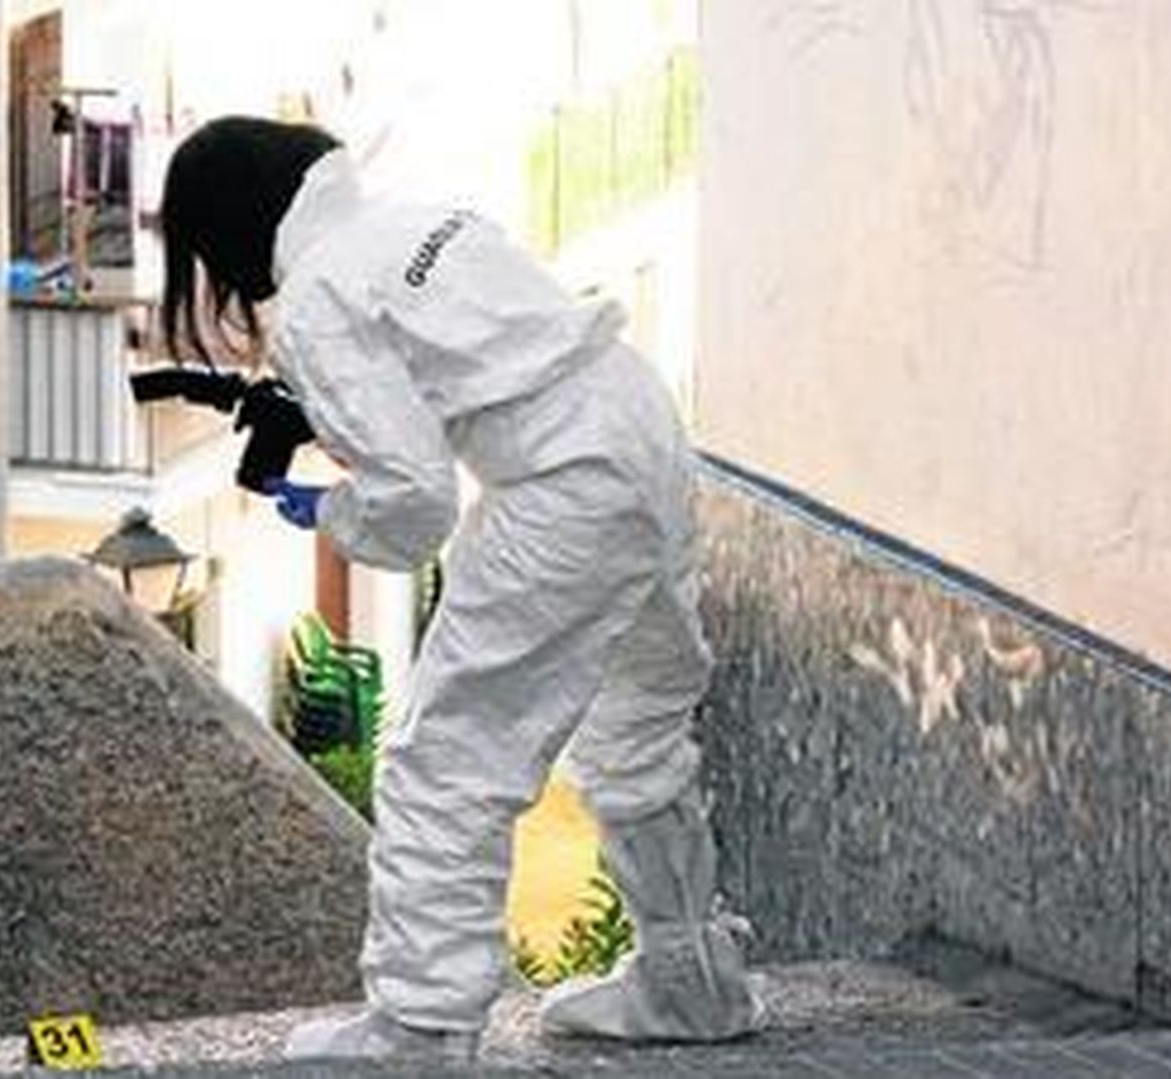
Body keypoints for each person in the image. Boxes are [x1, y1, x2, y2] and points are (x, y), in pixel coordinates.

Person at [157, 115, 762, 1062]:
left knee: (444, 759)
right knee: (637, 726)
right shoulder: (407, 220)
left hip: (561, 478)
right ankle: (691, 982)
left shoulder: (315, 300)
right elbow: (470, 369)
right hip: (639, 425)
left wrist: (328, 512)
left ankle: (420, 1024)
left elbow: (415, 506)